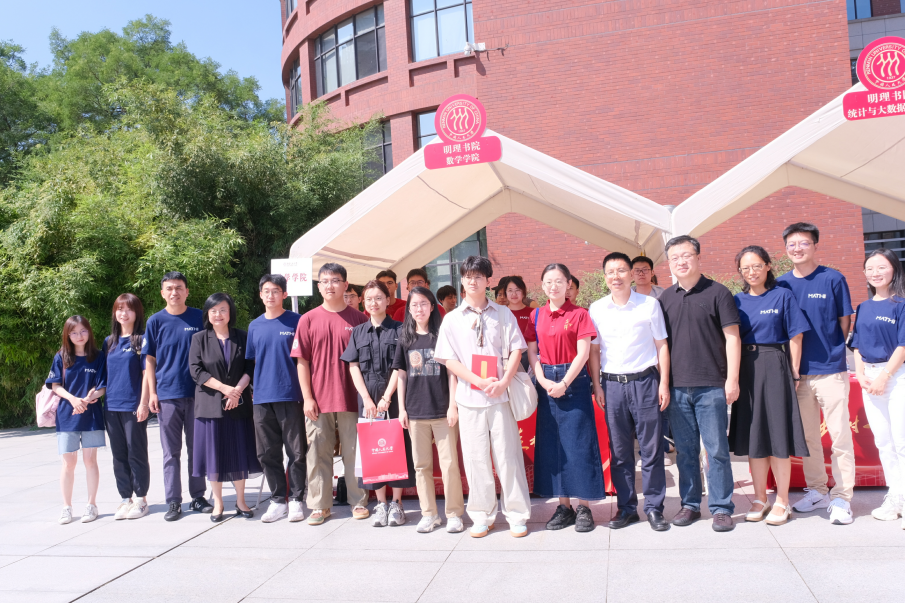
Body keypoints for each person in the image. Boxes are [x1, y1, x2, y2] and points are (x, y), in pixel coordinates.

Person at [434, 255, 532, 538]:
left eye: (478, 276)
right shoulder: (452, 319)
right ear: (462, 280)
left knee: (508, 457)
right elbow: (448, 359)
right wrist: (477, 380)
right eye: (468, 276)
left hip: (501, 398)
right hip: (469, 399)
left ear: (488, 281)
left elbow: (517, 349)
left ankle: (516, 514)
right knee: (476, 459)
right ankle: (481, 515)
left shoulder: (502, 313)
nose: (472, 281)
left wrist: (503, 382)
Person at [659, 235, 741, 532]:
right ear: (669, 263)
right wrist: (664, 383)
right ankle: (690, 504)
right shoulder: (665, 299)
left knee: (717, 449)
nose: (681, 261)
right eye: (675, 257)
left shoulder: (718, 292)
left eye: (686, 255)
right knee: (685, 451)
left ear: (698, 257)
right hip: (677, 387)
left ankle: (721, 508)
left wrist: (732, 380)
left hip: (711, 386)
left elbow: (733, 338)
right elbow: (661, 345)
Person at [776, 222, 856, 525]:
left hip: (830, 370)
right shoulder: (781, 284)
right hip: (798, 374)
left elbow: (844, 320)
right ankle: (818, 491)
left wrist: (833, 351)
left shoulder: (833, 278)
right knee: (808, 437)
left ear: (815, 246)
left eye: (804, 243)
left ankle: (843, 497)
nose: (797, 248)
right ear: (786, 248)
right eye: (792, 244)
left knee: (839, 436)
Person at [588, 252, 671, 531]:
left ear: (631, 274)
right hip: (612, 386)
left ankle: (654, 508)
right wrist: (597, 385)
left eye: (621, 270)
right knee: (620, 451)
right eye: (611, 272)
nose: (616, 276)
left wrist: (663, 383)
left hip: (645, 383)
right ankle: (626, 508)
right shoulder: (597, 309)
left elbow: (661, 345)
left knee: (651, 449)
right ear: (605, 277)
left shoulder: (649, 305)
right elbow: (595, 351)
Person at [729, 246, 810, 526]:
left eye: (756, 266)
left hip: (775, 364)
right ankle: (760, 498)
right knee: (755, 437)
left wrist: (794, 371)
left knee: (777, 435)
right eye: (745, 268)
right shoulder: (736, 301)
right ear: (740, 272)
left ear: (767, 266)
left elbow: (796, 336)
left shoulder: (782, 295)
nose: (751, 272)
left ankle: (782, 500)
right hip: (746, 368)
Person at [528, 263, 605, 532]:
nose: (554, 286)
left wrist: (564, 383)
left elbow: (583, 353)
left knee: (579, 445)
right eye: (548, 281)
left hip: (574, 381)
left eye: (559, 281)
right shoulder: (536, 315)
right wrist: (543, 380)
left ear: (568, 284)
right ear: (542, 286)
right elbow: (532, 352)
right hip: (546, 381)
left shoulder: (580, 314)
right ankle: (564, 507)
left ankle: (584, 506)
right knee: (553, 447)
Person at [293, 263, 370, 525]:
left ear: (345, 285)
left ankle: (358, 501)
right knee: (317, 452)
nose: (330, 286)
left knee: (354, 452)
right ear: (318, 287)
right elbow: (302, 361)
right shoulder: (308, 319)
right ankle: (319, 505)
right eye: (325, 281)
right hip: (318, 399)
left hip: (352, 398)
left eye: (335, 280)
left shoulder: (359, 319)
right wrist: (307, 397)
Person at [342, 280, 416, 527]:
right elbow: (353, 366)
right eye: (369, 299)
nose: (374, 303)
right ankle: (381, 504)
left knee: (397, 446)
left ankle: (397, 503)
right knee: (373, 449)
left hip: (393, 395)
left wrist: (387, 397)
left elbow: (400, 366)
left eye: (378, 298)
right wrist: (366, 398)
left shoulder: (400, 329)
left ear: (387, 300)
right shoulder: (358, 332)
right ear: (363, 302)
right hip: (367, 397)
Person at [392, 286, 465, 533]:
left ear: (432, 307)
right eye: (414, 305)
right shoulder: (405, 338)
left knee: (449, 464)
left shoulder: (443, 335)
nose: (419, 309)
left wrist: (453, 405)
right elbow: (401, 375)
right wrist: (402, 409)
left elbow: (453, 373)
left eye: (424, 303)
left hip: (443, 410)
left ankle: (454, 514)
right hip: (415, 411)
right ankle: (429, 514)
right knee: (421, 466)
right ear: (409, 310)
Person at [143, 271, 213, 521]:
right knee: (170, 451)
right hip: (167, 395)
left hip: (198, 394)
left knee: (197, 448)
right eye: (170, 288)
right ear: (163, 293)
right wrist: (152, 393)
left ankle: (198, 496)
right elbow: (149, 360)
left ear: (187, 291)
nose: (174, 292)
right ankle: (173, 501)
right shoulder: (155, 321)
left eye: (179, 288)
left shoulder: (199, 317)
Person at [190, 292, 261, 522]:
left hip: (238, 404)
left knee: (239, 452)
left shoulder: (242, 337)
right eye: (213, 310)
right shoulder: (199, 338)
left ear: (230, 312)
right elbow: (196, 371)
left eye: (223, 310)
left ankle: (241, 501)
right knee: (214, 455)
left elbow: (250, 367)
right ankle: (218, 503)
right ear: (207, 314)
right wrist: (224, 389)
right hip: (210, 405)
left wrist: (236, 391)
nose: (218, 314)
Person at [246, 275, 308, 523]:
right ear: (260, 294)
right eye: (266, 291)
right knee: (267, 453)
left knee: (296, 452)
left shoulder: (297, 321)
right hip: (262, 397)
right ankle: (277, 500)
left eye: (275, 291)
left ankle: (296, 499)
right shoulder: (254, 326)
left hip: (291, 395)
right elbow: (251, 362)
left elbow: (305, 359)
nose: (270, 295)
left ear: (284, 294)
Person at [851, 248, 905, 526]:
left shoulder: (901, 305)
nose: (876, 273)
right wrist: (861, 376)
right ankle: (896, 498)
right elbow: (857, 345)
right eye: (870, 268)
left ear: (894, 269)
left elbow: (903, 346)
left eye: (882, 267)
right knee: (884, 442)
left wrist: (884, 376)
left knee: (902, 441)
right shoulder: (863, 307)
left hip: (896, 377)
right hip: (870, 379)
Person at [47, 315, 107, 524]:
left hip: (91, 416)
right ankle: (67, 507)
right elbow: (55, 385)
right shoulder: (61, 357)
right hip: (67, 416)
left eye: (83, 331)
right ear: (67, 335)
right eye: (74, 332)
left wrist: (89, 398)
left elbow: (102, 386)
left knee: (90, 461)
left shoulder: (98, 356)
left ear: (89, 331)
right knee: (68, 463)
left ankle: (92, 505)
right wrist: (74, 399)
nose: (79, 336)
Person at [104, 294, 151, 521]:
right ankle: (125, 498)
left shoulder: (141, 340)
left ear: (137, 313)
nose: (123, 313)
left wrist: (144, 403)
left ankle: (141, 499)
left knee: (136, 452)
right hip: (111, 406)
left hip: (133, 405)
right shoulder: (109, 342)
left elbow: (147, 374)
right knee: (119, 455)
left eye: (128, 309)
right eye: (119, 309)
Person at [505, 276, 537, 372]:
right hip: (506, 357)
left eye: (517, 290)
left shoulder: (533, 312)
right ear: (506, 293)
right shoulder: (500, 312)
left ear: (523, 292)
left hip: (528, 358)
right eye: (510, 290)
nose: (514, 294)